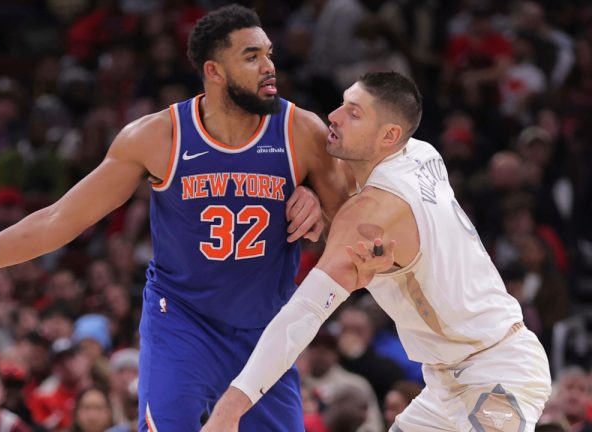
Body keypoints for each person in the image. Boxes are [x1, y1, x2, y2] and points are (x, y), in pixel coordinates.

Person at [0, 6, 352, 431]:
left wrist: (316, 198)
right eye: (251, 56)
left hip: (266, 326)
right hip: (182, 322)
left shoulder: (300, 131)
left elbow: (352, 226)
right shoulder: (157, 137)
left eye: (269, 54)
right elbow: (57, 220)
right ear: (214, 71)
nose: (269, 66)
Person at [203, 71, 552, 432]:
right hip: (444, 383)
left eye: (354, 113)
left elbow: (303, 312)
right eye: (342, 104)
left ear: (389, 135)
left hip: (499, 369)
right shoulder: (420, 151)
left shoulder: (371, 216)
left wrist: (231, 407)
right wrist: (313, 194)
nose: (334, 117)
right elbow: (342, 180)